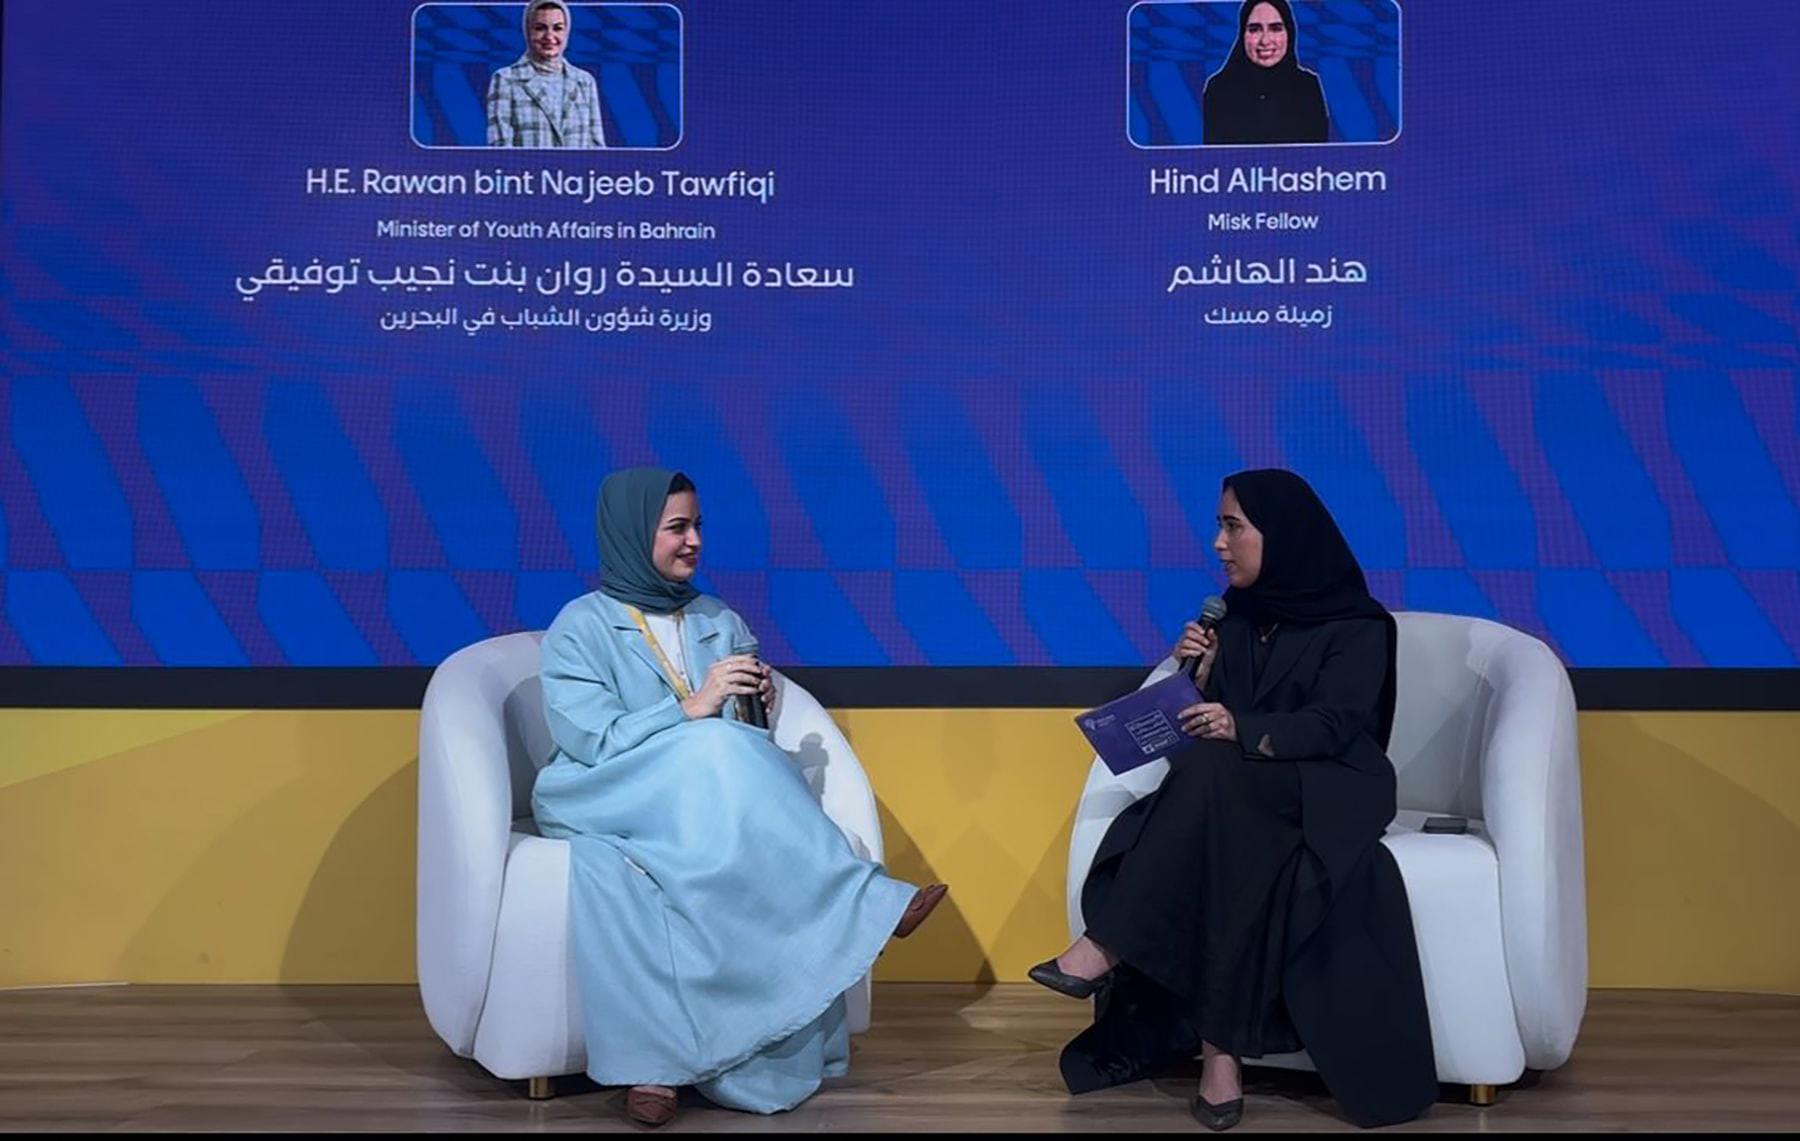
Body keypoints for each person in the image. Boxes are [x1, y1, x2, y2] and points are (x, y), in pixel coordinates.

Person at [532, 467, 947, 1127]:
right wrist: (692, 709)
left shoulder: (718, 618)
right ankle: (865, 900)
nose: (694, 541)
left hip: (696, 793)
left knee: (724, 771)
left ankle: (675, 1068)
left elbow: (743, 746)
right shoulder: (579, 627)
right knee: (713, 749)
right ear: (633, 532)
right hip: (605, 788)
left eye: (697, 525)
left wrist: (756, 708)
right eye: (677, 527)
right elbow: (590, 738)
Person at [1030, 469, 1435, 1130]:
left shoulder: (1359, 624)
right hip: (1244, 785)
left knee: (1215, 777)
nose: (1219, 543)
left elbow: (1335, 724)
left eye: (1233, 526)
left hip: (1330, 780)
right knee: (1230, 844)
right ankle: (1220, 1056)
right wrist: (1197, 675)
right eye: (1220, 526)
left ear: (1283, 533)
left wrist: (1238, 725)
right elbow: (1218, 719)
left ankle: (1107, 945)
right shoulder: (1238, 614)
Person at [1202, 0, 1329, 145]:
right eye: (1255, 29)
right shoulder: (1218, 89)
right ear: (1242, 35)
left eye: (1276, 29)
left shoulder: (1307, 87)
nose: (1265, 41)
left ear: (1290, 33)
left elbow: (1321, 153)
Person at [486, 0, 607, 147]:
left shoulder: (585, 82)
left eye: (557, 28)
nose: (549, 36)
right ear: (527, 31)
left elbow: (597, 148)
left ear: (567, 32)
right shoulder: (506, 80)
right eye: (540, 28)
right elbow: (500, 150)